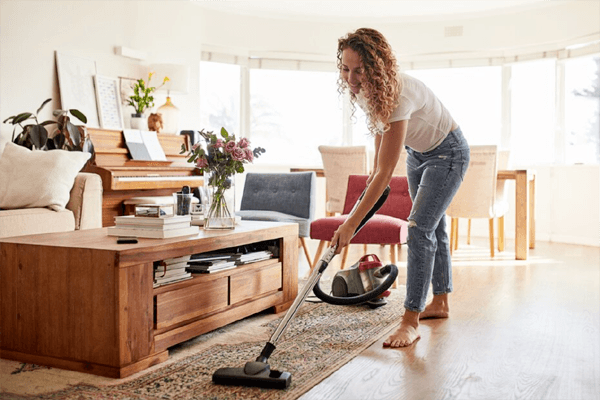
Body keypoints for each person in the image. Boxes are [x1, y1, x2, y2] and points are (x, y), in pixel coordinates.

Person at [331, 28, 470, 347]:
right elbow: (379, 162)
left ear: (376, 67)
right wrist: (371, 182)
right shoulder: (368, 90)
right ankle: (441, 301)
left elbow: (385, 171)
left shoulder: (398, 93)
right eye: (345, 69)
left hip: (448, 153)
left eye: (359, 70)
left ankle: (410, 321)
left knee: (420, 229)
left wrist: (351, 223)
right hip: (417, 153)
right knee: (434, 227)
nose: (351, 78)